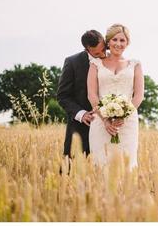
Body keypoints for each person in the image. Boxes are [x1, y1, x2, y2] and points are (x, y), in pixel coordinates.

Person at [87, 24, 144, 169]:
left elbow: (138, 96)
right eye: (114, 40)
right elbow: (92, 94)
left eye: (122, 40)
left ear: (127, 43)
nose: (118, 44)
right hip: (101, 122)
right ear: (108, 42)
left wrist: (122, 116)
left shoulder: (135, 65)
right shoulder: (95, 64)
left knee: (126, 166)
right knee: (101, 164)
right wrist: (105, 120)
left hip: (127, 123)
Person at [57, 30, 107, 160]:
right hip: (80, 129)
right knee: (72, 171)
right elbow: (63, 96)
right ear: (87, 49)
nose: (102, 54)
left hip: (109, 128)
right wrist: (81, 114)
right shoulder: (72, 62)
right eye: (97, 53)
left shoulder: (114, 60)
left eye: (104, 49)